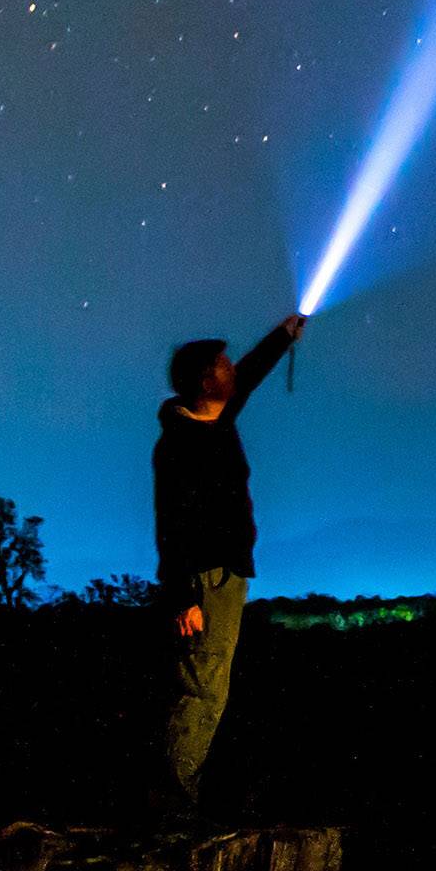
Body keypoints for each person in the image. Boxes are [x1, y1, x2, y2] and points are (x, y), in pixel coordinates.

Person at [152, 311, 306, 819]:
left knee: (212, 686)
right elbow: (170, 522)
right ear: (204, 380)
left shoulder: (215, 421)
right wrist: (181, 597)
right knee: (200, 689)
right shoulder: (178, 444)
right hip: (204, 579)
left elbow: (252, 371)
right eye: (221, 364)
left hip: (228, 574)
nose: (230, 367)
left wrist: (283, 335)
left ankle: (188, 796)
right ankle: (175, 806)